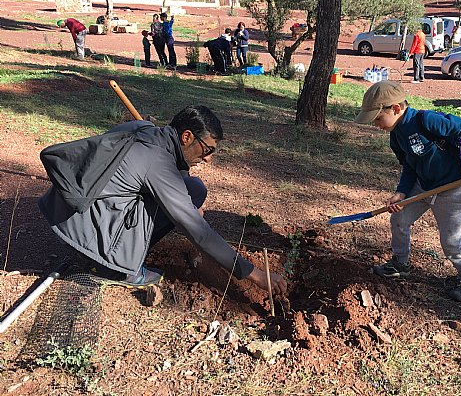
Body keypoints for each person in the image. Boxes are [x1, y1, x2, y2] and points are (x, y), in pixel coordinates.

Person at [38, 105, 287, 296]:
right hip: (83, 233)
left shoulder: (144, 129)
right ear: (187, 137)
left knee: (194, 189)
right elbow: (199, 233)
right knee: (181, 206)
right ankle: (115, 269)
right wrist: (254, 274)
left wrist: (187, 204)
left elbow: (180, 179)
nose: (209, 158)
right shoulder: (157, 163)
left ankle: (115, 255)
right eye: (208, 150)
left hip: (76, 211)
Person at [354, 81, 461, 302]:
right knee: (399, 218)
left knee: (450, 238)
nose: (377, 125)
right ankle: (400, 263)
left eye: (378, 118)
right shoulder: (395, 137)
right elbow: (410, 165)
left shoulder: (426, 121)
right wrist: (401, 192)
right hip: (422, 186)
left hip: (452, 188)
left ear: (396, 108)